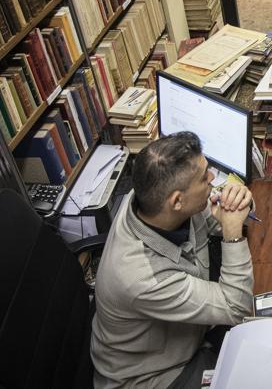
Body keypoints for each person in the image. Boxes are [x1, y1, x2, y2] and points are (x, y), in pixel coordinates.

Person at [91, 132, 255, 389]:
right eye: (205, 178)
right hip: (156, 376)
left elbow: (224, 216)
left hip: (183, 335)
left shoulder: (153, 199)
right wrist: (233, 234)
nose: (213, 180)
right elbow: (237, 307)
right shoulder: (140, 277)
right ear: (177, 201)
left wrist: (238, 201)